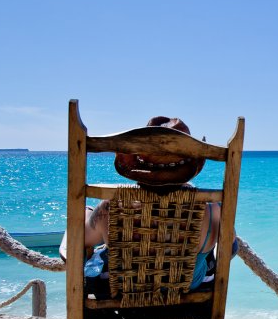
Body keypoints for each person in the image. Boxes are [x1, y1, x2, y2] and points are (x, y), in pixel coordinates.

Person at [66, 116, 234, 300]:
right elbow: (231, 247)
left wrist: (87, 214)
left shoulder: (110, 207)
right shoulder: (213, 210)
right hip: (185, 292)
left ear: (138, 159)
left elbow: (81, 241)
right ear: (189, 161)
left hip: (126, 294)